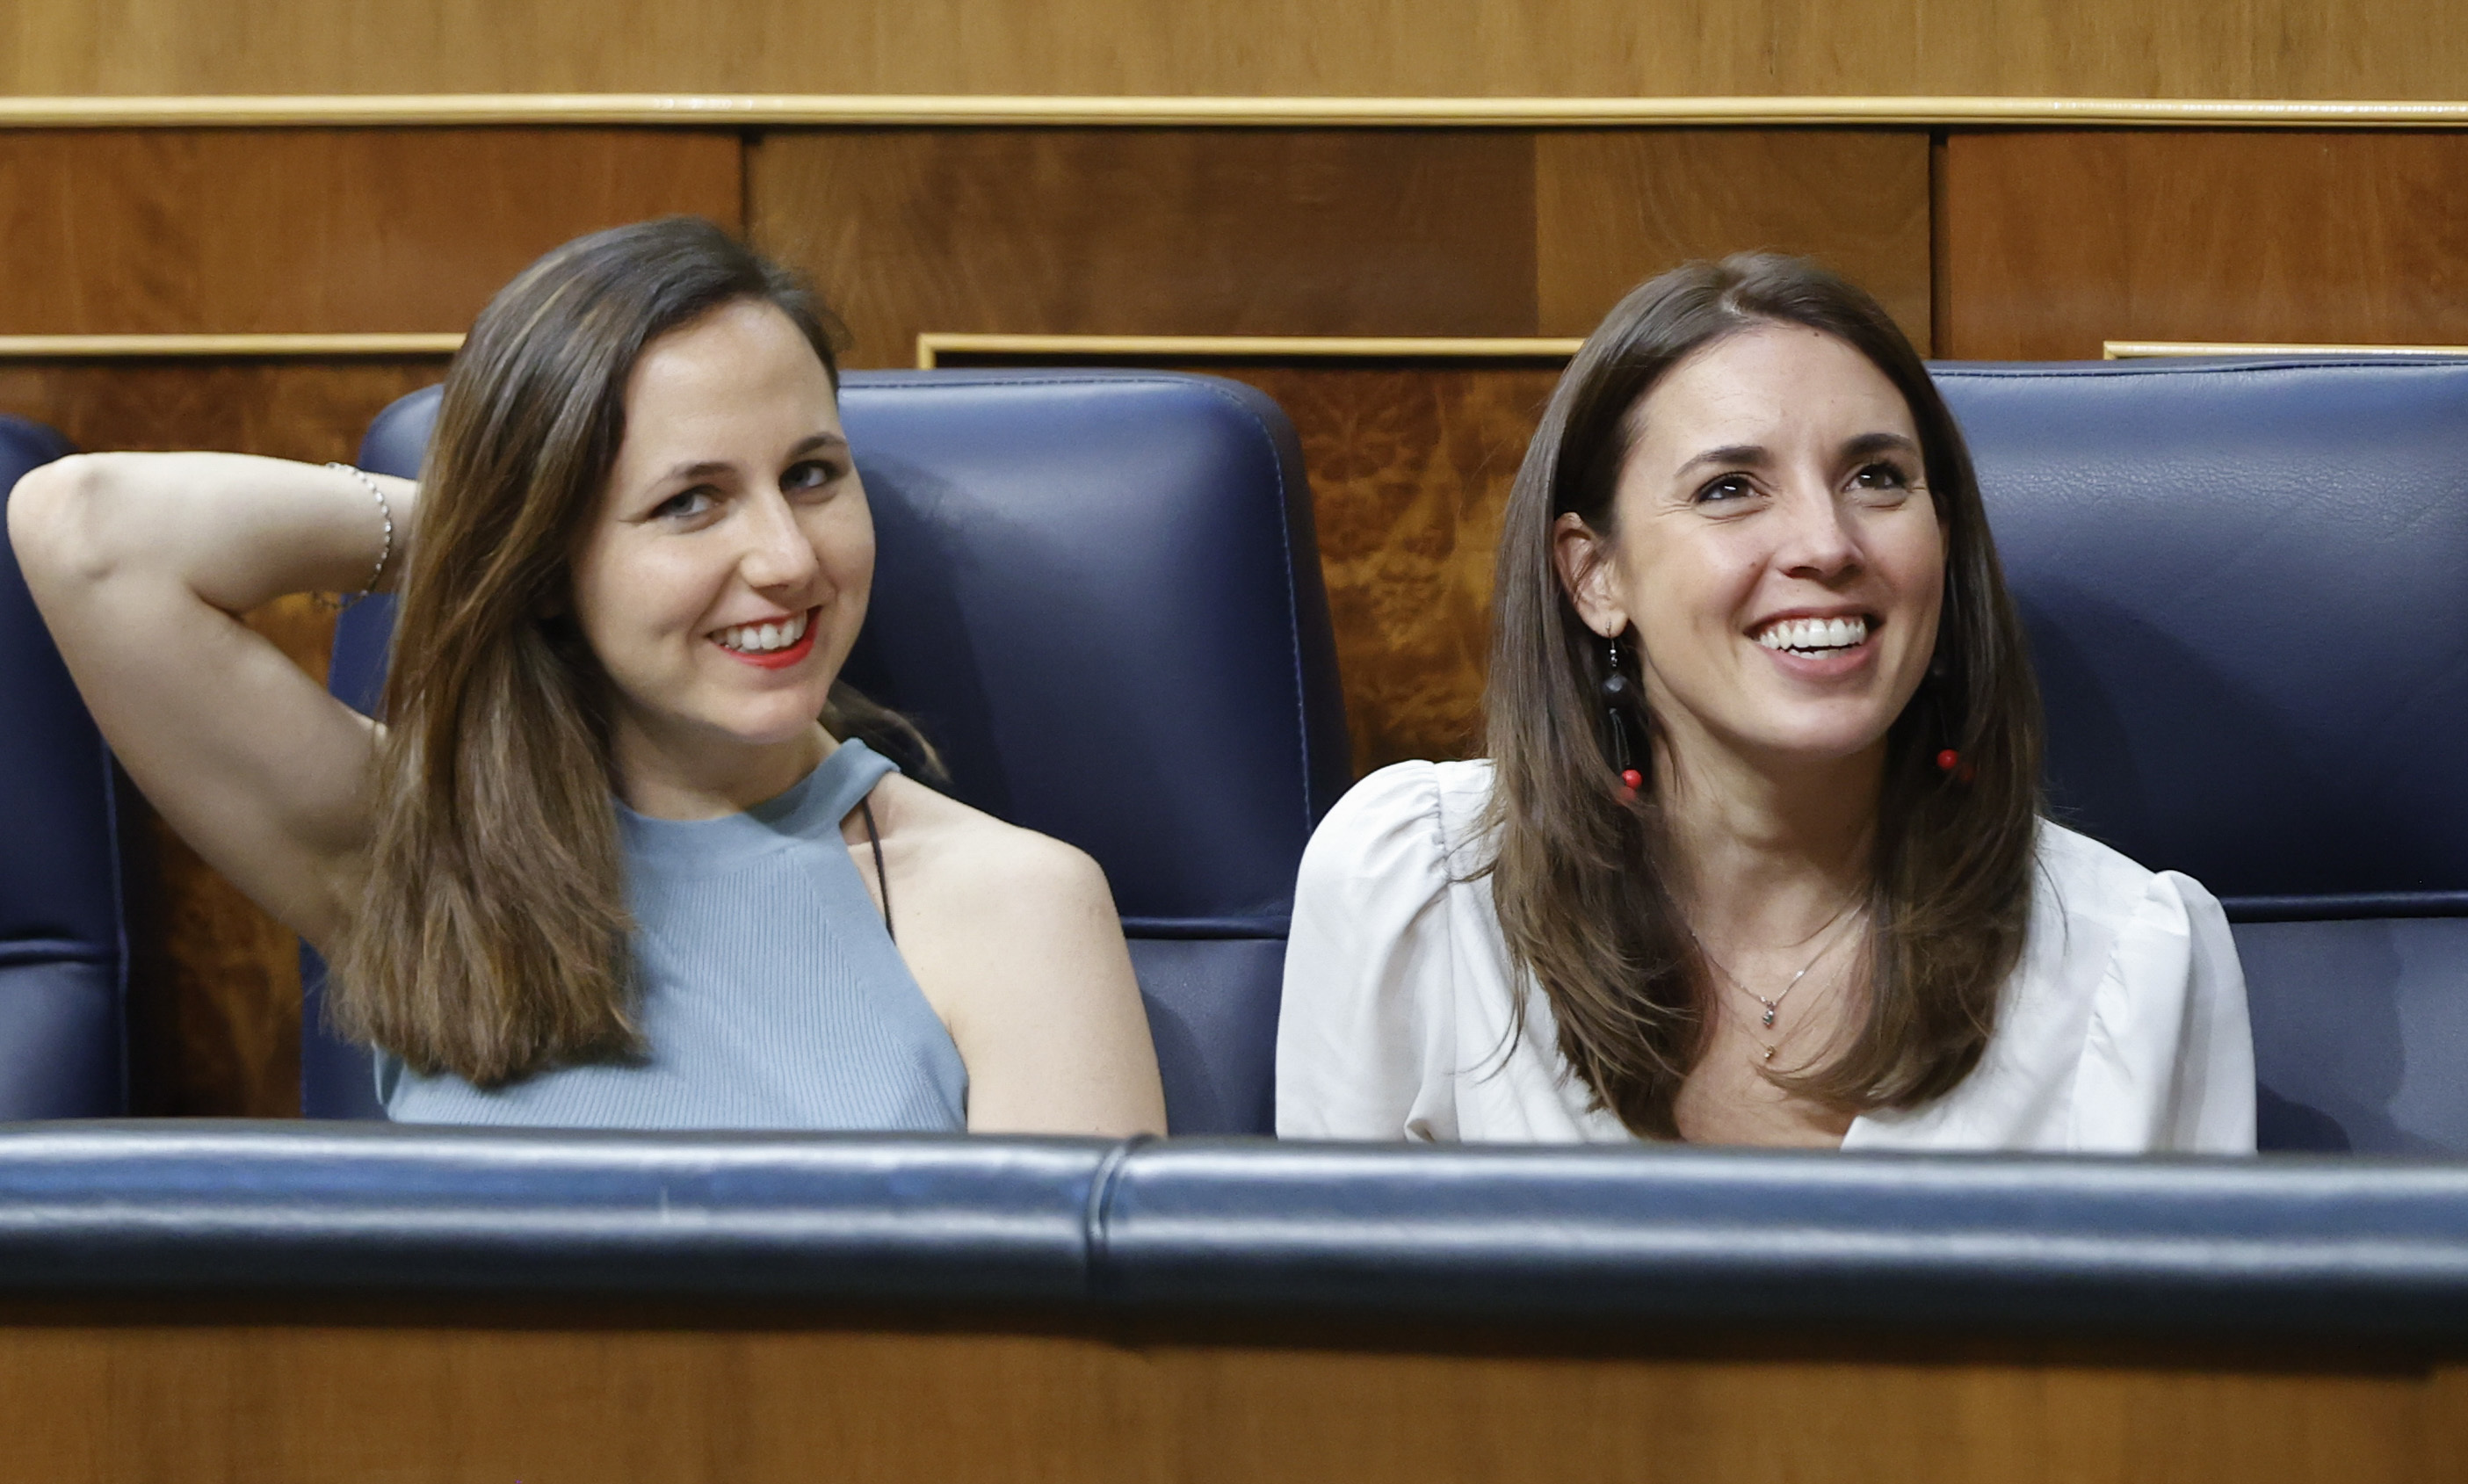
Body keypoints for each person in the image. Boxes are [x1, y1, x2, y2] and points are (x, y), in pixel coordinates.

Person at [10, 217, 1164, 1135]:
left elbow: (1077, 1417)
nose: (788, 559)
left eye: (811, 474)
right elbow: (86, 533)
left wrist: (607, 550)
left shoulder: (1020, 906)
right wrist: (514, 546)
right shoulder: (421, 854)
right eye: (689, 501)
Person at [1276, 252, 2252, 1150]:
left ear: (1943, 542)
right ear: (1595, 577)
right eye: (1731, 488)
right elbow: (1307, 1332)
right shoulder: (1418, 893)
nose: (1826, 545)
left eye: (1877, 477)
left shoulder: (2133, 963)